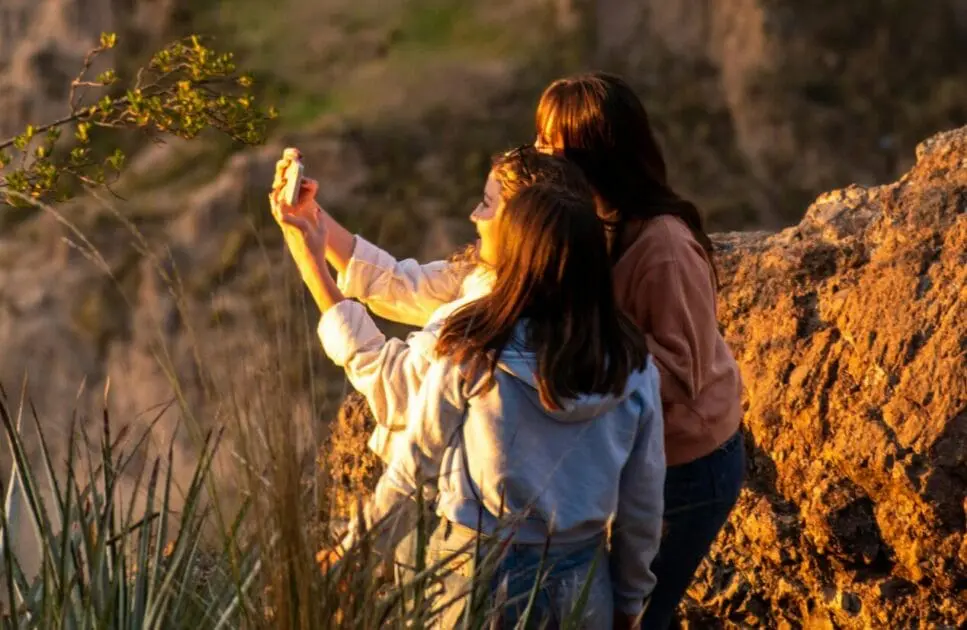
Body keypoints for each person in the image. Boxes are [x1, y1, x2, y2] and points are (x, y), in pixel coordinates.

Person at [276, 172, 666, 628]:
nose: (476, 218)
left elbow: (412, 468)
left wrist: (355, 551)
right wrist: (631, 599)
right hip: (582, 582)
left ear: (517, 255)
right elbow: (643, 501)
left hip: (476, 575)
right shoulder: (632, 364)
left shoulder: (473, 348)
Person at [534, 71, 746, 628]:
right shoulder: (595, 222)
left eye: (549, 143)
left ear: (593, 153)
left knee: (642, 612)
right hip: (634, 455)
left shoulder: (664, 247)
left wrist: (583, 325)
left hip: (688, 461)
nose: (538, 154)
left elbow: (681, 375)